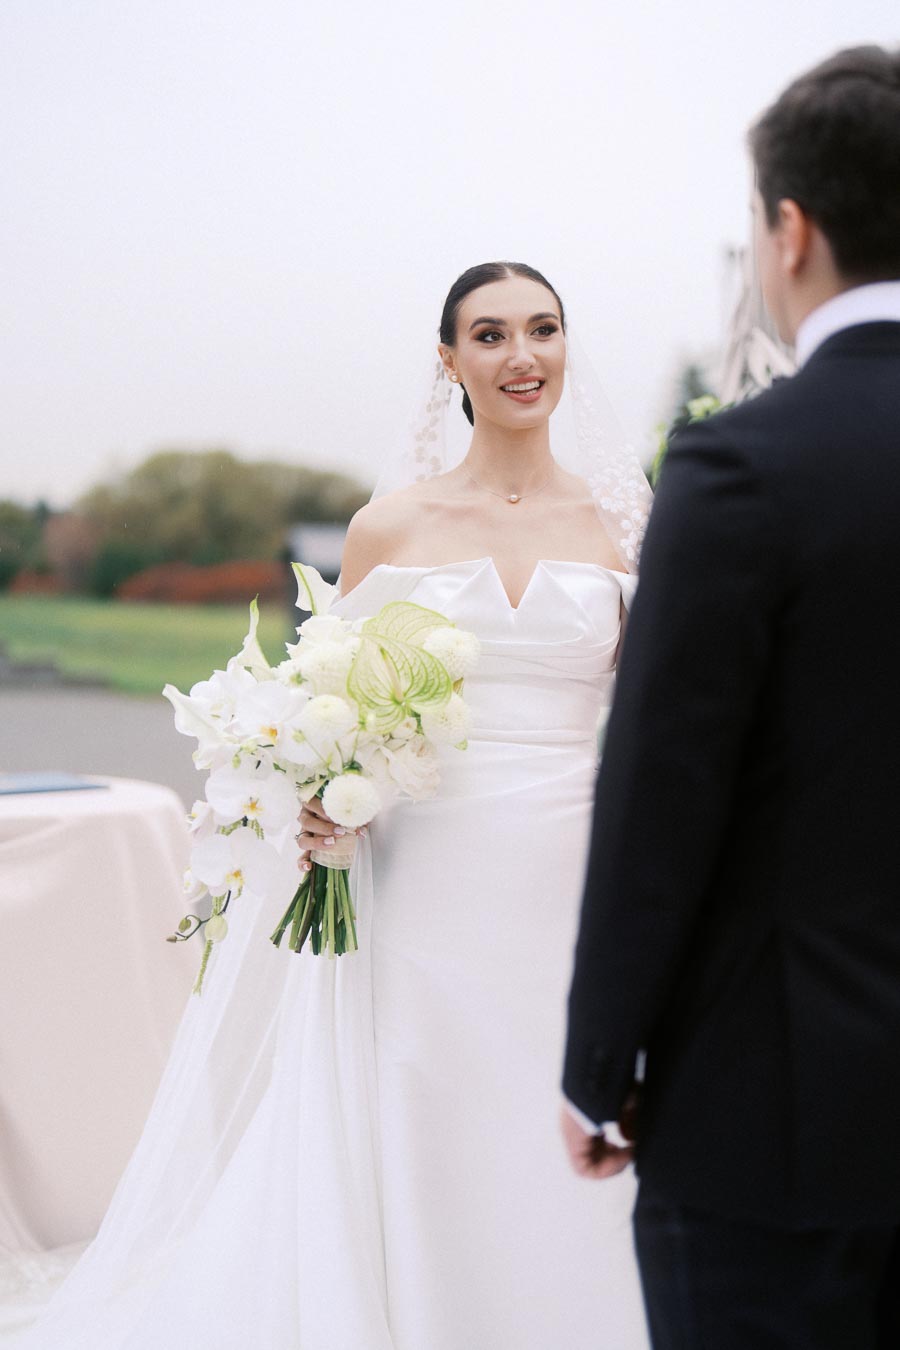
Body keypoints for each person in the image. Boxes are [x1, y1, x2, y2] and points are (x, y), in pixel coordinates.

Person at [17, 262, 651, 1349]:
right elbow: (324, 710)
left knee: (555, 1094)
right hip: (423, 876)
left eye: (543, 330)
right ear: (448, 361)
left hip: (574, 870)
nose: (522, 356)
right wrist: (322, 797)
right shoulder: (391, 528)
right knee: (423, 1097)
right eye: (490, 335)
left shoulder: (622, 527)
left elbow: (653, 729)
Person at [562, 44, 900, 1350]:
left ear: (790, 230)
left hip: (778, 1108)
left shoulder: (744, 466)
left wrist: (601, 1068)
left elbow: (662, 791)